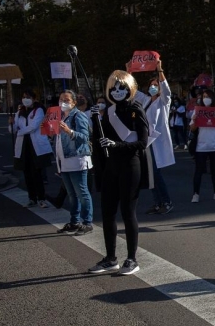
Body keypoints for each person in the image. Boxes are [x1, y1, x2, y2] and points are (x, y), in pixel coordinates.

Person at [89, 71, 153, 275]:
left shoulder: (136, 109)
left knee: (127, 212)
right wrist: (95, 120)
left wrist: (117, 145)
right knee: (107, 213)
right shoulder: (108, 111)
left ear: (130, 89)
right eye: (114, 88)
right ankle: (110, 258)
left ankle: (132, 259)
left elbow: (142, 142)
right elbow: (100, 140)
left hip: (130, 165)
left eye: (122, 88)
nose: (117, 92)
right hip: (111, 167)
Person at [54, 90, 94, 235]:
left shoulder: (79, 116)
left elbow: (85, 136)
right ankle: (74, 221)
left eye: (66, 100)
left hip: (77, 160)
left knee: (82, 192)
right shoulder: (61, 117)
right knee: (72, 194)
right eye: (61, 99)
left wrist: (70, 132)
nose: (63, 102)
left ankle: (87, 222)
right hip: (64, 161)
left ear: (74, 102)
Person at [143, 60, 176, 214]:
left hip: (157, 141)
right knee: (150, 174)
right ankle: (157, 203)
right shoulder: (146, 101)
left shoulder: (164, 102)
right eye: (151, 85)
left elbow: (167, 90)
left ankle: (167, 202)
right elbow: (132, 92)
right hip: (146, 142)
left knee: (156, 173)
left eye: (156, 85)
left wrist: (160, 70)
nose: (153, 87)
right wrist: (128, 71)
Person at [12, 89, 53, 208]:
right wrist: (12, 125)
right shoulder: (19, 112)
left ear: (34, 99)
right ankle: (32, 198)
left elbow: (33, 127)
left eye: (28, 97)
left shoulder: (38, 110)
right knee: (27, 174)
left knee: (37, 174)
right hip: (24, 147)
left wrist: (19, 132)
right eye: (24, 97)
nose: (26, 99)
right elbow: (13, 129)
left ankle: (41, 198)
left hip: (36, 147)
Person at [190, 89, 215, 203]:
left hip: (214, 146)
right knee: (199, 171)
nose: (206, 99)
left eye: (208, 96)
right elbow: (192, 128)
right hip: (201, 146)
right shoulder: (197, 112)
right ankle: (196, 194)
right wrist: (195, 121)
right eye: (204, 96)